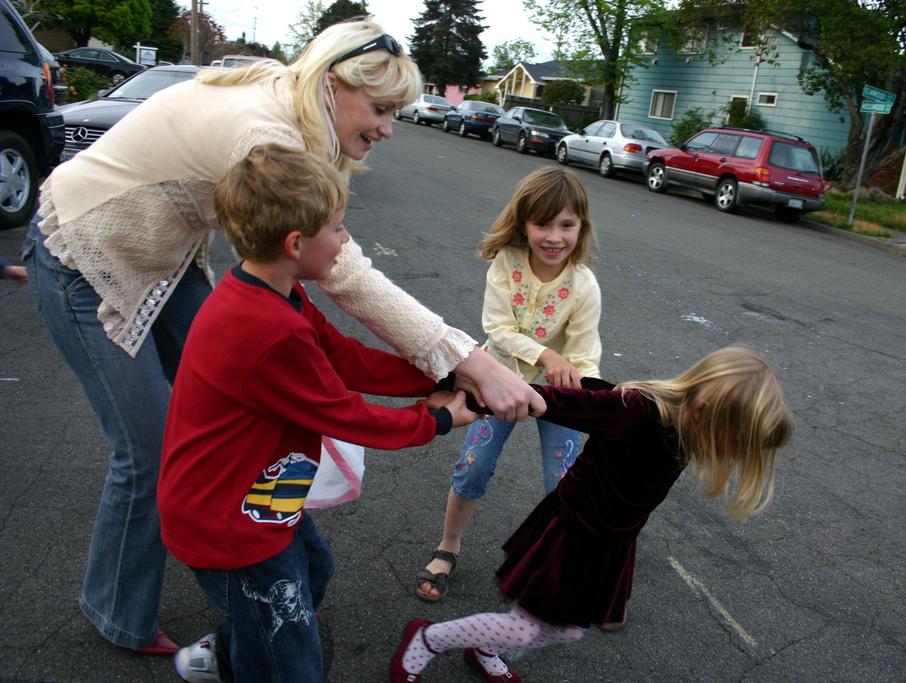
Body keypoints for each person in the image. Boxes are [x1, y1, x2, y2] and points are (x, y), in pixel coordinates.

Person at [20, 17, 541, 655]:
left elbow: (337, 344)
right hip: (83, 253)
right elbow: (345, 277)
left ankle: (248, 538)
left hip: (163, 260)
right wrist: (465, 361)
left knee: (216, 408)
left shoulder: (295, 106)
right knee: (148, 447)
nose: (387, 128)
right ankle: (122, 612)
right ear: (332, 85)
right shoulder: (268, 135)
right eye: (380, 109)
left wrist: (445, 369)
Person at [161, 143, 480, 682]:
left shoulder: (276, 292)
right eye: (338, 228)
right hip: (228, 521)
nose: (346, 240)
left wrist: (440, 377)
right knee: (292, 662)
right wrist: (438, 420)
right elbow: (345, 413)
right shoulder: (266, 328)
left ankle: (232, 652)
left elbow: (341, 357)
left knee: (312, 570)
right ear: (295, 243)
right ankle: (249, 658)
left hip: (256, 496)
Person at [392, 346, 795, 682]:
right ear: (706, 411)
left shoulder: (688, 427)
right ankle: (429, 638)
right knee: (527, 626)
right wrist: (475, 392)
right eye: (734, 445)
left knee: (565, 630)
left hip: (608, 542)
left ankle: (484, 649)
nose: (731, 456)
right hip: (570, 533)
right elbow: (554, 401)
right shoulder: (636, 411)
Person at [417, 167, 601, 602]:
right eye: (542, 224)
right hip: (497, 378)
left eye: (567, 225)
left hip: (558, 394)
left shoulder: (584, 285)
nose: (554, 237)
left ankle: (568, 561)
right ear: (524, 223)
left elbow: (583, 353)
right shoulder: (507, 263)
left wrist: (592, 397)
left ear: (582, 227)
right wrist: (546, 355)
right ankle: (449, 544)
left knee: (565, 481)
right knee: (474, 465)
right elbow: (498, 329)